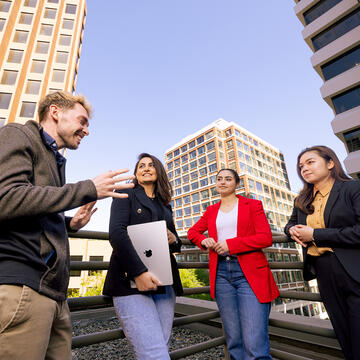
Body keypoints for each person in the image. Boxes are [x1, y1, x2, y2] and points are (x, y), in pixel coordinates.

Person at [0, 91, 134, 360]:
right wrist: (87, 188)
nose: (86, 130)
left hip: (53, 294)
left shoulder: (56, 159)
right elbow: (6, 198)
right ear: (55, 112)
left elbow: (35, 210)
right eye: (82, 121)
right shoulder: (18, 134)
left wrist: (70, 223)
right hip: (24, 286)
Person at [188, 168, 279, 360]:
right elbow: (192, 232)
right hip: (221, 273)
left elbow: (265, 238)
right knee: (234, 340)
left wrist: (231, 244)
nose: (222, 182)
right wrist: (203, 241)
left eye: (228, 179)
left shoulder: (252, 205)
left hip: (249, 273)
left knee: (255, 343)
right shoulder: (211, 210)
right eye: (219, 179)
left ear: (236, 184)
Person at [103, 153, 183, 360]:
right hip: (130, 280)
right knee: (153, 353)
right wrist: (139, 272)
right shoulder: (124, 193)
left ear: (159, 171)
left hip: (165, 283)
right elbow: (117, 233)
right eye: (141, 166)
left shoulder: (165, 204)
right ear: (136, 173)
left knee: (161, 346)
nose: (146, 168)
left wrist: (174, 238)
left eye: (151, 165)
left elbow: (176, 242)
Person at [284, 145, 360, 360]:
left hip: (353, 269)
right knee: (343, 333)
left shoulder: (353, 189)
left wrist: (316, 235)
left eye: (310, 162)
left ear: (330, 163)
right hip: (323, 270)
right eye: (300, 166)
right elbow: (289, 225)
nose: (304, 169)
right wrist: (291, 230)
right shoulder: (302, 200)